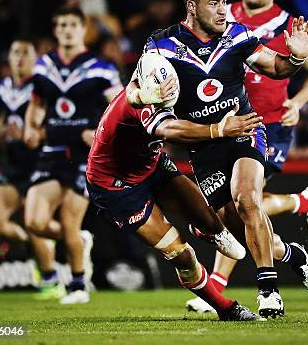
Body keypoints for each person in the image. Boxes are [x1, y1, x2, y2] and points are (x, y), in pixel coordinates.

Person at [133, 0, 308, 318]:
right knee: (240, 226)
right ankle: (293, 255)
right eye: (214, 3)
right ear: (192, 7)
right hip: (204, 148)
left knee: (248, 200)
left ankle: (269, 292)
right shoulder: (160, 46)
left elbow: (276, 67)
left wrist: (295, 58)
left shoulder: (237, 35)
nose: (224, 10)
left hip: (245, 130)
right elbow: (139, 93)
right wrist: (148, 94)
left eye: (225, 2)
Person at [185, 0, 308, 314]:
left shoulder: (287, 24)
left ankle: (236, 286)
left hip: (267, 124)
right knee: (242, 211)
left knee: (249, 200)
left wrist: (297, 102)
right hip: (214, 131)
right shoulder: (220, 15)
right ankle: (299, 213)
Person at [85, 77, 260, 321]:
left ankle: (205, 230)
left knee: (214, 224)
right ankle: (226, 308)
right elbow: (168, 129)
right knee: (183, 256)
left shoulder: (172, 87)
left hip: (152, 166)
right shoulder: (139, 101)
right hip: (117, 188)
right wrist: (219, 129)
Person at [23, 6, 123, 305]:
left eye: (72, 25)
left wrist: (100, 134)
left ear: (84, 29)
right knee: (34, 222)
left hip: (85, 156)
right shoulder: (44, 66)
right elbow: (38, 102)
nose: (67, 29)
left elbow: (120, 109)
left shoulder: (100, 67)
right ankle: (79, 243)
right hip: (52, 151)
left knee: (69, 221)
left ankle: (78, 285)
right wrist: (31, 125)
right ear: (56, 30)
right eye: (61, 24)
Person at [0, 38, 59, 299]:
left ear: (35, 58)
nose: (19, 58)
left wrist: (36, 132)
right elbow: (3, 121)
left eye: (25, 53)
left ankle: (51, 277)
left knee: (35, 223)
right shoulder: (4, 86)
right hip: (13, 165)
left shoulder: (44, 87)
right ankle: (32, 244)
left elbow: (60, 123)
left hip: (38, 165)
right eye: (15, 52)